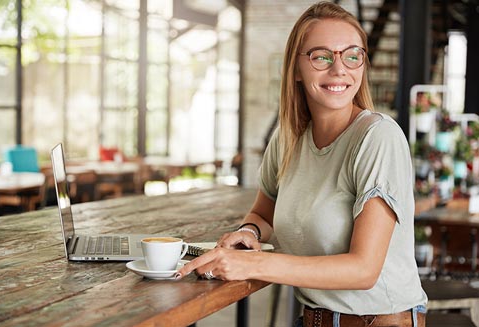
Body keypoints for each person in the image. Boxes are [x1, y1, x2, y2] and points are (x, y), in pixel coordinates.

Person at [176, 2, 428, 326]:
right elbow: (263, 213)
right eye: (321, 56)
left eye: (352, 55)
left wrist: (251, 265)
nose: (339, 70)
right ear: (296, 68)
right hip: (311, 319)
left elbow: (364, 270)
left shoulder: (378, 137)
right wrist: (248, 232)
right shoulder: (288, 138)